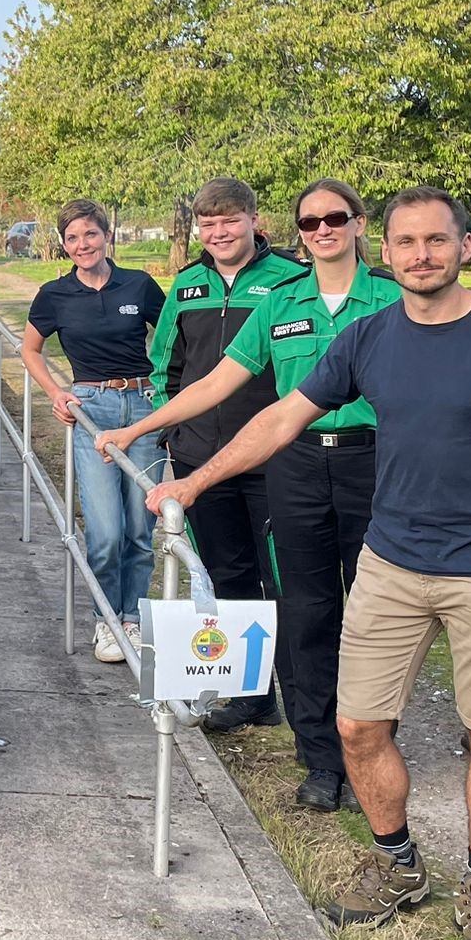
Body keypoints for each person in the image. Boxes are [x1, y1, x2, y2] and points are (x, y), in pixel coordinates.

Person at [148, 187, 471, 940]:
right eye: (407, 242)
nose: (421, 255)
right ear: (391, 248)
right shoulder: (371, 337)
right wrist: (195, 481)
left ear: (465, 247)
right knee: (357, 727)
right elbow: (280, 418)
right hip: (392, 562)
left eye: (436, 241)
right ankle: (398, 862)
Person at [101, 179, 398, 812]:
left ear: (358, 224)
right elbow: (212, 383)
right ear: (298, 229)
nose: (323, 230)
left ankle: (372, 744)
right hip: (293, 465)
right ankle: (319, 755)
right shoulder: (281, 303)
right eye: (311, 221)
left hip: (377, 468)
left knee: (376, 618)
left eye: (335, 219)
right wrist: (139, 427)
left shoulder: (394, 299)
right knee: (303, 611)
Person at [147, 177, 307, 728]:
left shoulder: (291, 280)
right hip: (200, 461)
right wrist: (174, 434)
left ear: (254, 221)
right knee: (225, 575)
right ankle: (250, 696)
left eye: (230, 221)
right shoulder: (188, 283)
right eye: (208, 224)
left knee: (282, 580)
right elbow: (165, 363)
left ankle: (301, 698)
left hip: (274, 457)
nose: (219, 232)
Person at [22, 198, 167, 665]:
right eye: (72, 237)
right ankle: (105, 619)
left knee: (141, 527)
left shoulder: (140, 285)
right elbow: (31, 350)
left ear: (107, 236)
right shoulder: (54, 295)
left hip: (143, 409)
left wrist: (166, 396)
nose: (82, 244)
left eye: (90, 234)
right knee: (105, 531)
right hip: (93, 410)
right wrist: (56, 393)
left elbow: (168, 343)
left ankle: (133, 618)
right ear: (63, 244)